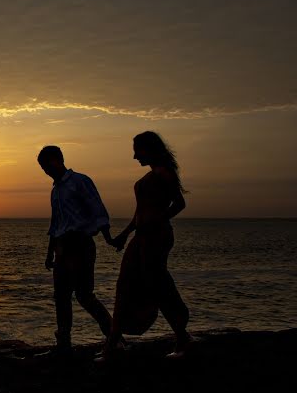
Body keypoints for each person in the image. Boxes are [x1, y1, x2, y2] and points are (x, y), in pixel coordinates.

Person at [100, 131, 193, 361]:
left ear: (148, 149)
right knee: (125, 284)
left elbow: (179, 203)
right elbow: (139, 213)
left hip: (157, 237)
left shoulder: (164, 173)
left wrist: (159, 220)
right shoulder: (150, 176)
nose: (134, 156)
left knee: (157, 286)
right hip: (141, 237)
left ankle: (182, 337)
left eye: (137, 150)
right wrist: (124, 234)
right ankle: (112, 343)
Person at [37, 145, 115, 354]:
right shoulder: (55, 191)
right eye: (42, 167)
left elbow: (97, 209)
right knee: (61, 296)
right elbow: (56, 224)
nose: (45, 170)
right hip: (62, 248)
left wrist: (108, 237)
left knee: (84, 295)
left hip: (80, 245)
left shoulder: (80, 181)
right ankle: (63, 343)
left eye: (46, 165)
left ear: (57, 160)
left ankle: (114, 338)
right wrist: (49, 253)